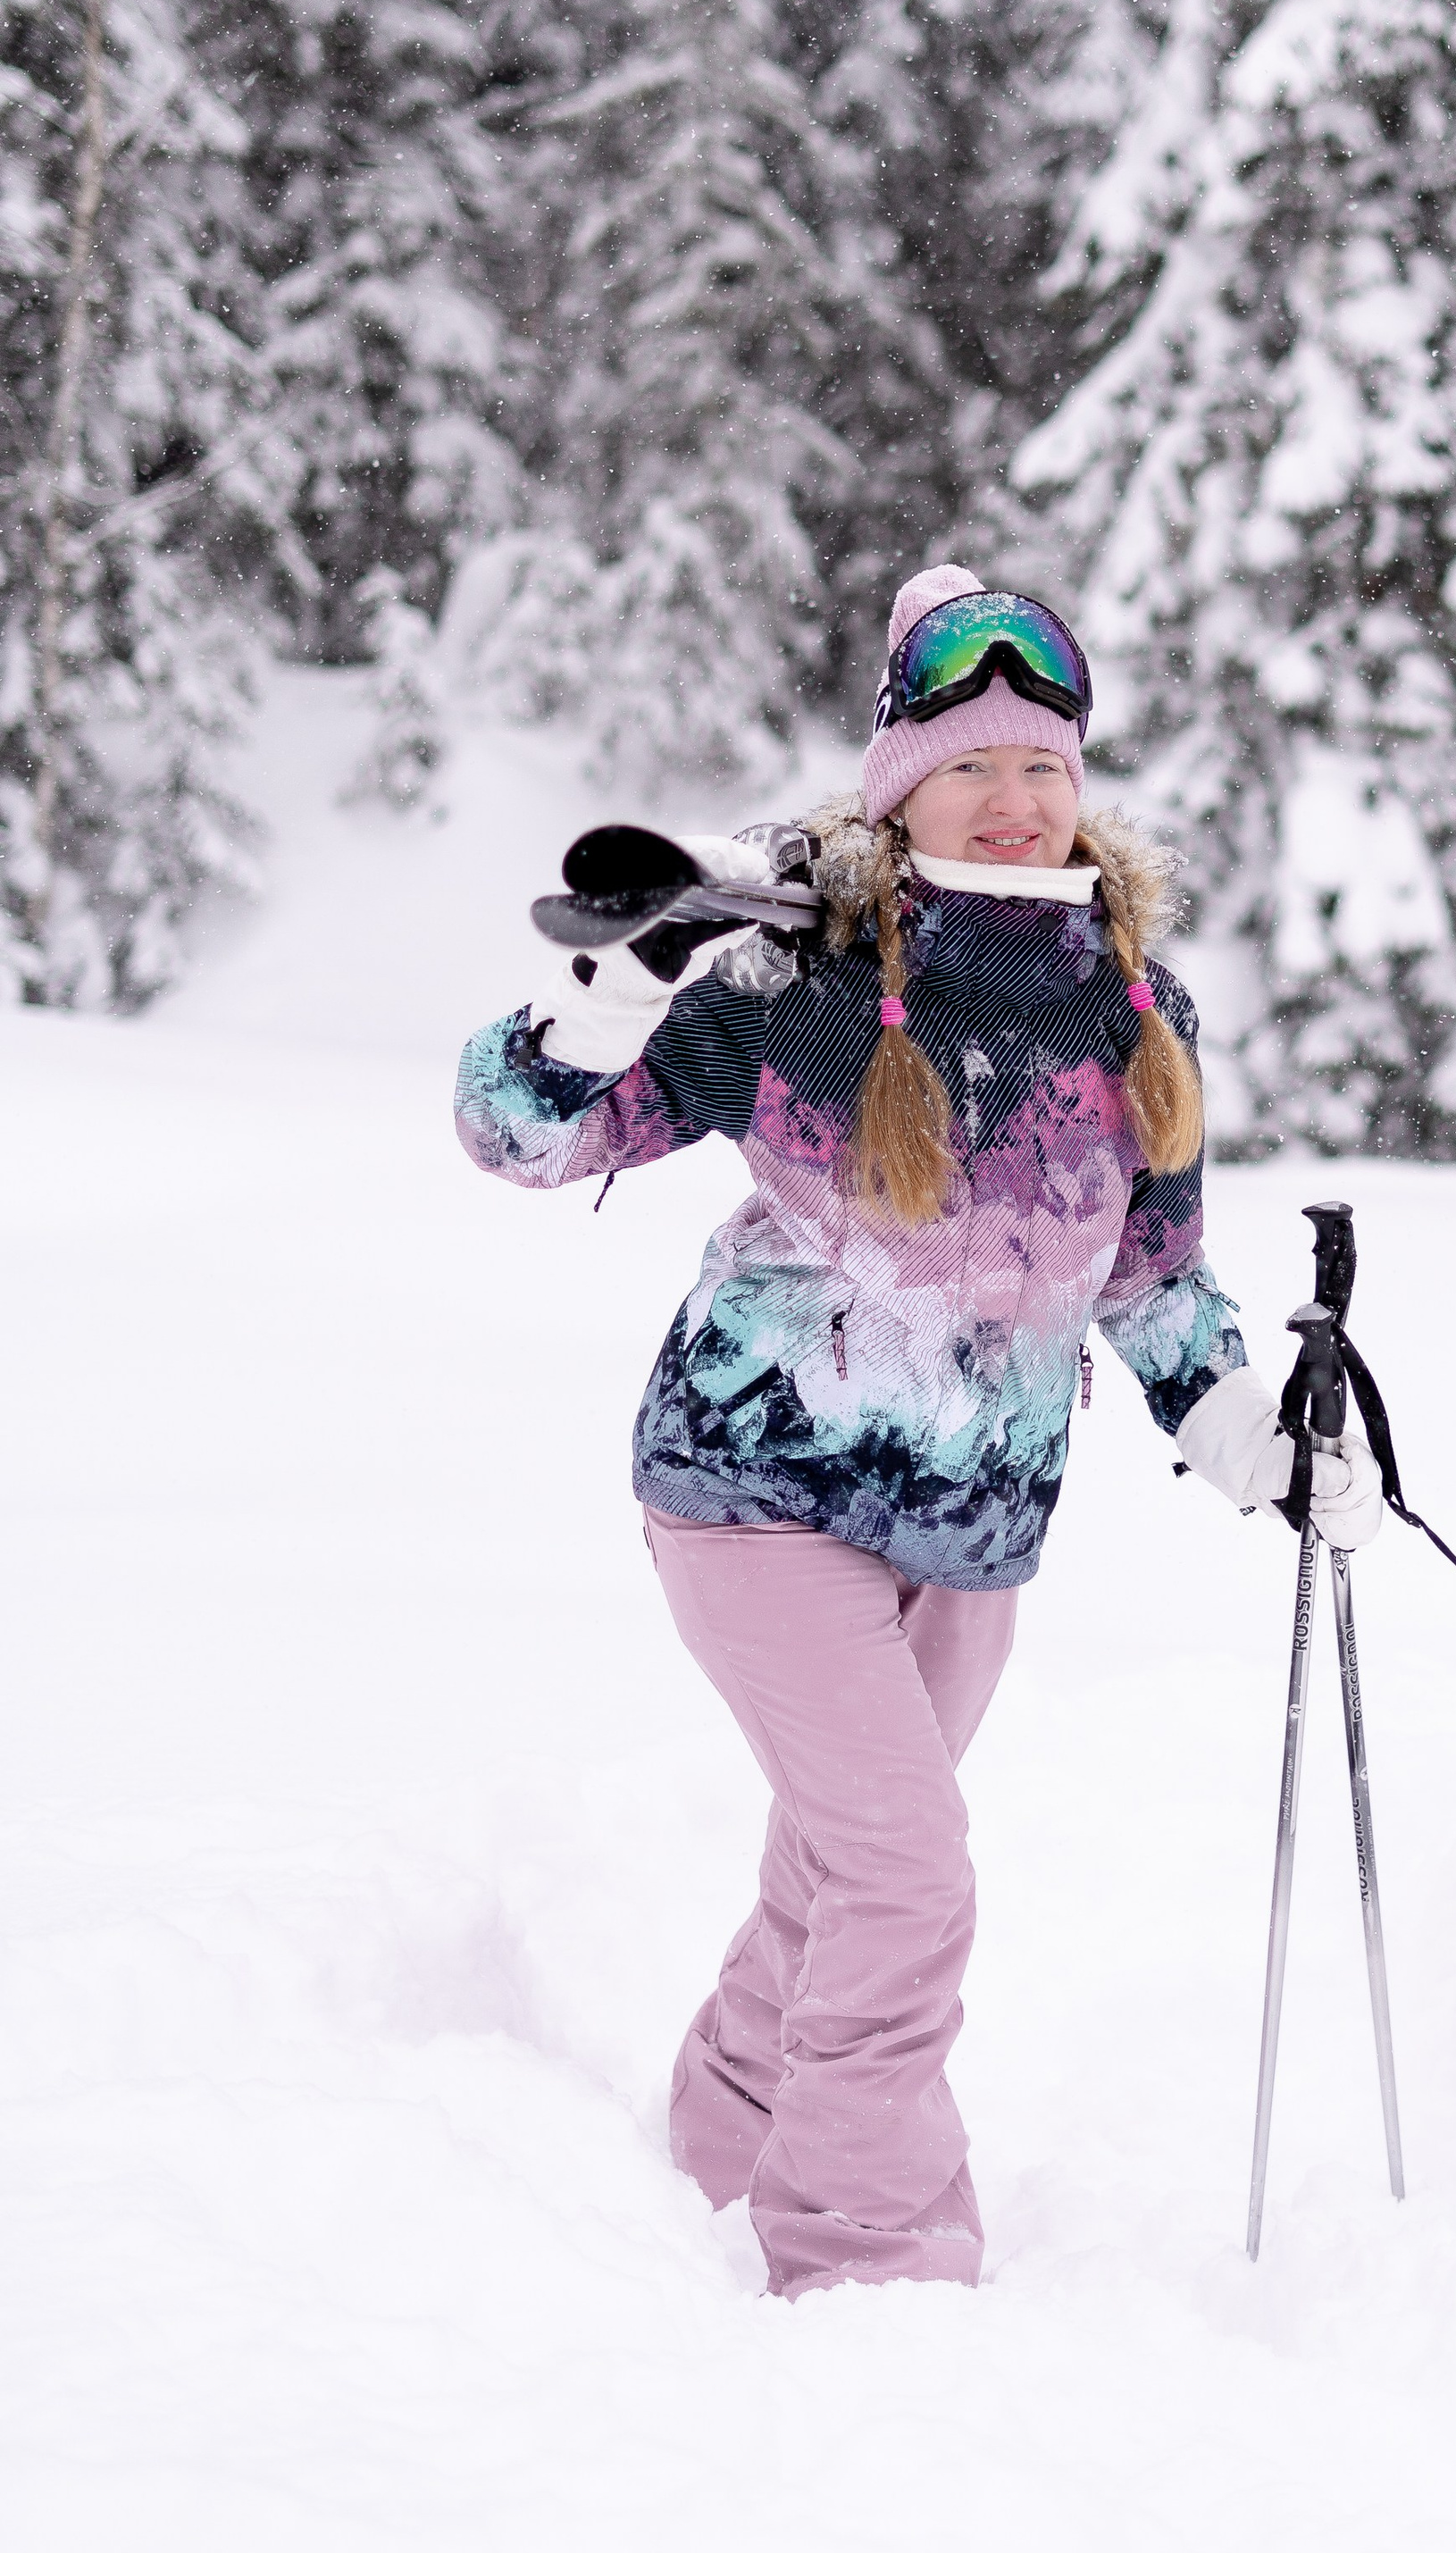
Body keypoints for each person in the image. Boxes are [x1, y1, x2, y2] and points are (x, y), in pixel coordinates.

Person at [454, 566, 1380, 2299]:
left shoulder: (1135, 1012)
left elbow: (1151, 1284)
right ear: (899, 786)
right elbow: (521, 1137)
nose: (1013, 800)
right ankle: (867, 2257)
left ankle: (725, 2136)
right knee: (907, 1872)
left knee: (841, 1865)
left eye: (1042, 766)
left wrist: (1258, 1440)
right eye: (970, 767)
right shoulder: (790, 980)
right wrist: (611, 997)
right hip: (754, 1495)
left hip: (971, 1539)